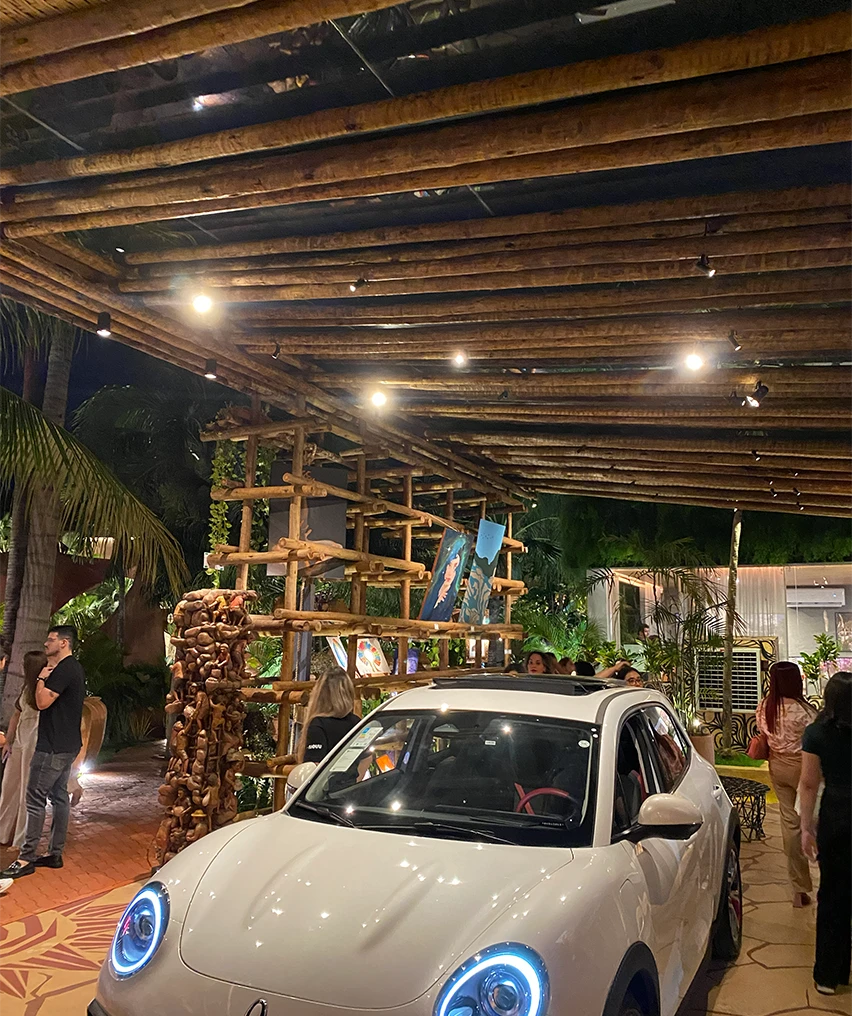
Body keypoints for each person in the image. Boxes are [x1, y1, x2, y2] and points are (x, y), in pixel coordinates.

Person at [1, 625, 85, 879]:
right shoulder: (74, 668)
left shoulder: (62, 670)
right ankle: (54, 853)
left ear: (64, 643)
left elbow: (41, 702)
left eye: (51, 640)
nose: (46, 644)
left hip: (52, 747)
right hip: (67, 745)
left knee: (35, 799)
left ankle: (26, 858)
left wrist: (40, 679)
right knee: (59, 796)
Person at [799, 671, 852, 995]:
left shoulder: (816, 733)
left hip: (837, 814)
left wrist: (806, 827)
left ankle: (829, 975)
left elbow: (808, 783)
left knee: (832, 893)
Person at [755, 661, 816, 908]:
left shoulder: (765, 707)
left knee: (790, 823)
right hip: (804, 767)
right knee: (813, 819)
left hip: (777, 766)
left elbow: (763, 733)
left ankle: (799, 888)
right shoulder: (804, 711)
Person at [0, 651, 46, 848]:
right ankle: (2, 833)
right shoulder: (26, 688)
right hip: (19, 741)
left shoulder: (43, 689)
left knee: (27, 791)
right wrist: (9, 741)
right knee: (9, 787)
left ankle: (21, 840)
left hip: (34, 742)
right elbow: (16, 715)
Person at [297, 666, 359, 764]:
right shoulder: (357, 723)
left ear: (319, 694)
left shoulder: (318, 724)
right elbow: (365, 759)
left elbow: (313, 765)